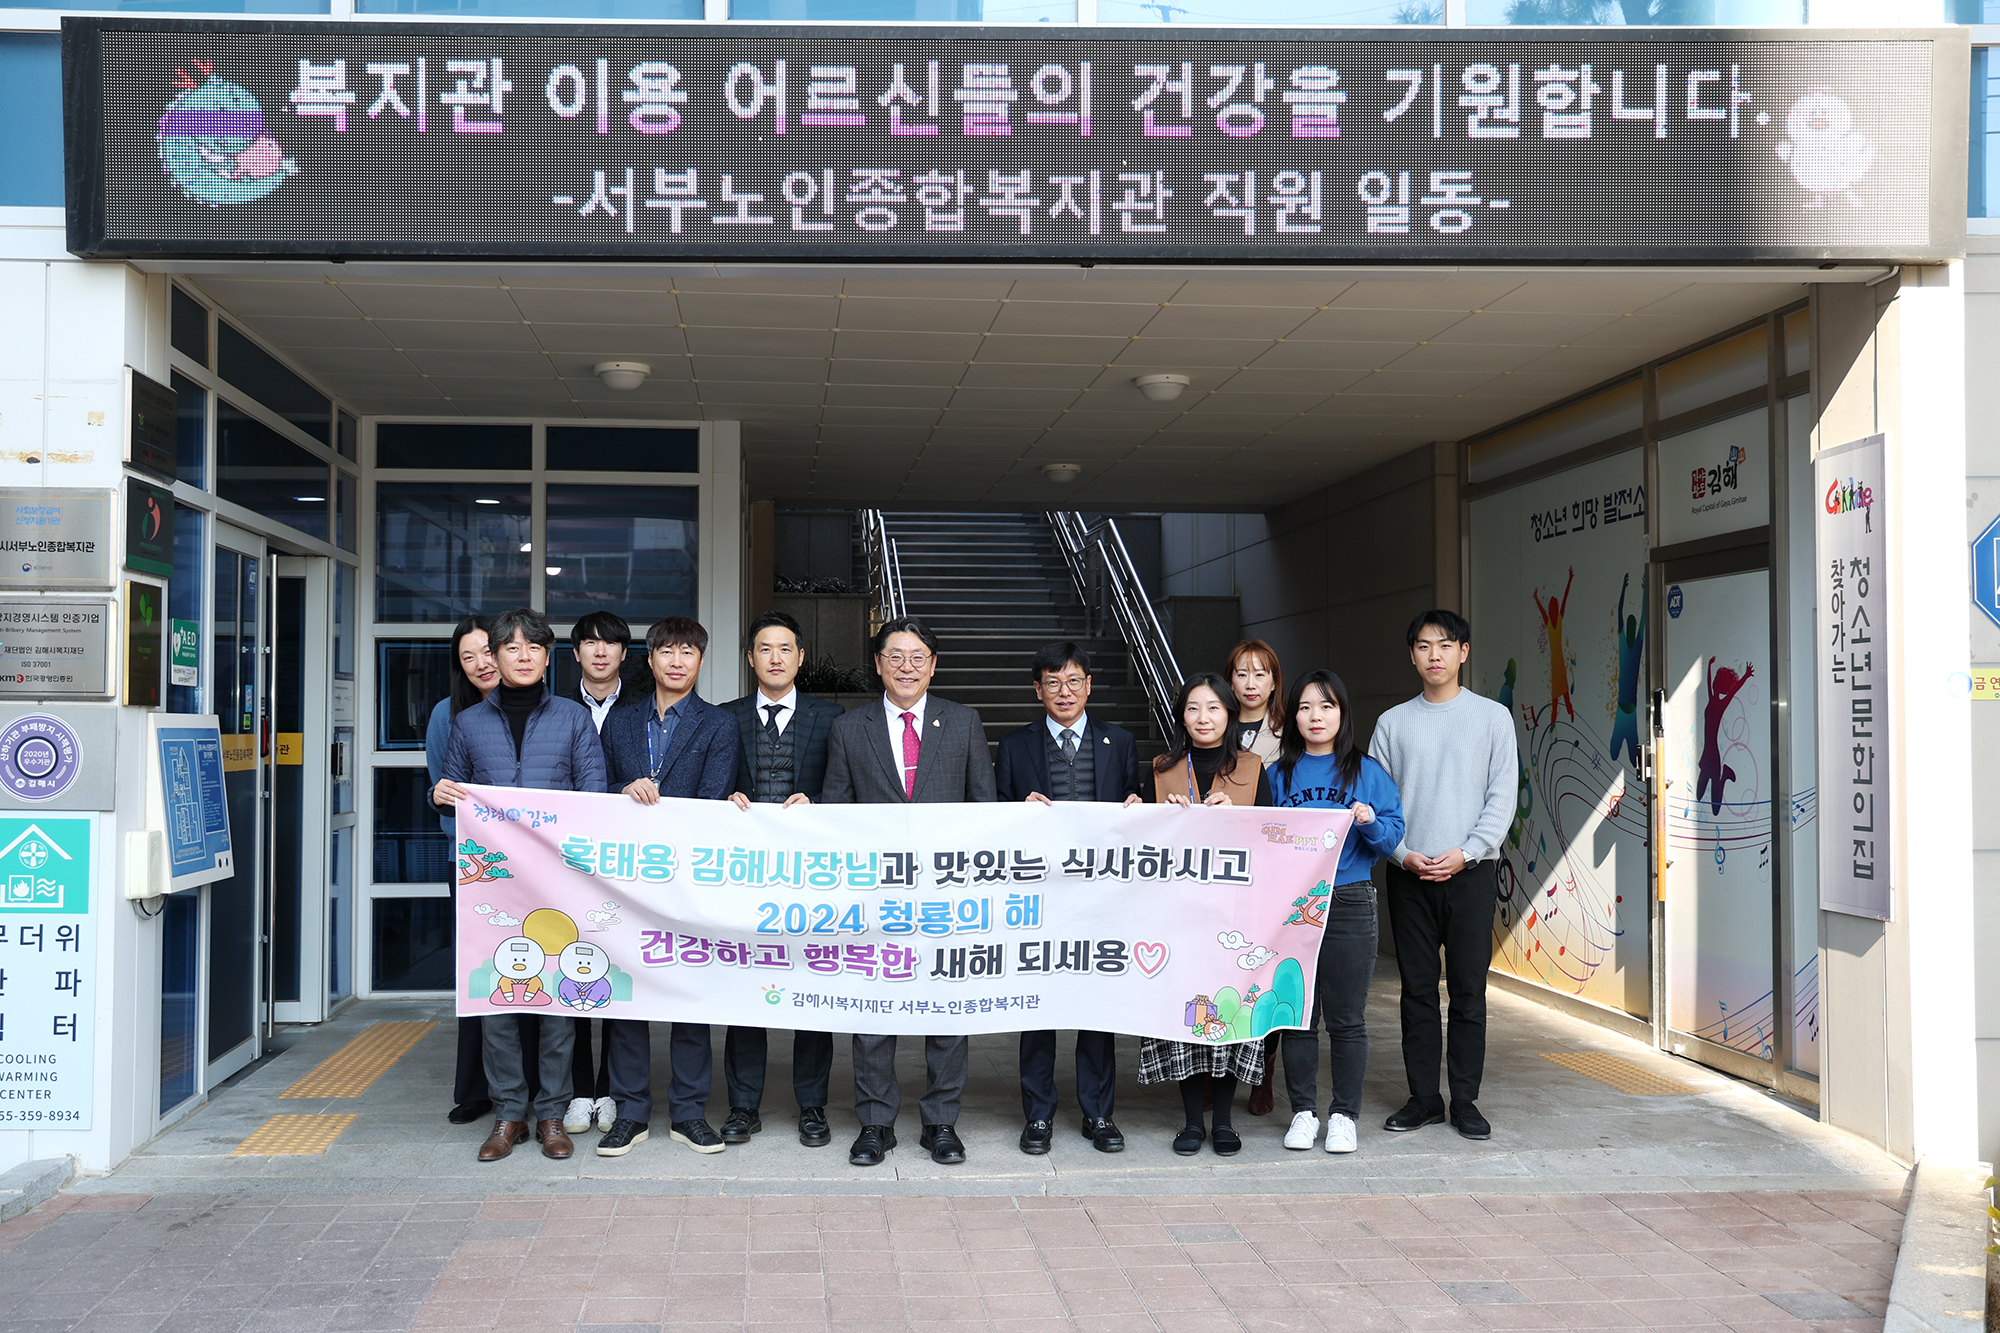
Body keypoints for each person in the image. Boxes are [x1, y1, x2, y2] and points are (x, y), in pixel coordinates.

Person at [821, 615, 997, 1167]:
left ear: (933, 665)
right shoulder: (850, 727)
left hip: (947, 897)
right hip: (876, 897)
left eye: (918, 657)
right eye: (895, 656)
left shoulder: (963, 722)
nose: (906, 666)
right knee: (875, 1011)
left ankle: (941, 1122)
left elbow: (984, 811)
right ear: (878, 665)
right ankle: (875, 1123)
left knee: (946, 1009)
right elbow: (836, 814)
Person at [433, 607, 605, 1163]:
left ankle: (551, 1113)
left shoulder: (574, 720)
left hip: (558, 881)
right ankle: (509, 1113)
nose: (523, 656)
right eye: (511, 647)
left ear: (547, 656)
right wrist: (438, 794)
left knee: (556, 999)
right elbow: (453, 793)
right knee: (497, 997)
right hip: (492, 884)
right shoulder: (468, 723)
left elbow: (593, 799)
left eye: (533, 647)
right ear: (497, 657)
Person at [1369, 610, 1517, 1142]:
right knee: (1416, 991)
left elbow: (1502, 796)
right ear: (1411, 655)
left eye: (1445, 644)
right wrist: (1401, 854)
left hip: (1471, 873)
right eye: (1424, 646)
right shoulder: (1392, 723)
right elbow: (1377, 803)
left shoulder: (1493, 718)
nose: (1435, 655)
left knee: (1469, 990)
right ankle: (1424, 1099)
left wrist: (1468, 852)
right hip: (1409, 874)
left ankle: (1466, 1101)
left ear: (1464, 652)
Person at [993, 642, 1144, 1157]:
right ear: (1038, 690)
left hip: (1101, 898)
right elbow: (995, 818)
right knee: (1036, 1007)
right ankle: (1037, 1114)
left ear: (1089, 685)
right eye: (1053, 683)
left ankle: (1099, 1113)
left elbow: (1135, 813)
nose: (1064, 691)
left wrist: (1136, 805)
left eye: (1074, 681)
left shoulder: (1120, 742)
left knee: (1096, 1006)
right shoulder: (1015, 746)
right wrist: (1019, 809)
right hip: (1038, 898)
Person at [600, 617, 741, 1159]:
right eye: (666, 651)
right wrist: (623, 789)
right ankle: (630, 1114)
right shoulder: (621, 721)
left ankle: (689, 1113)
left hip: (688, 883)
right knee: (627, 1000)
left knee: (689, 999)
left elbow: (712, 799)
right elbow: (596, 789)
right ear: (650, 658)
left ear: (700, 661)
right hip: (628, 883)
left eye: (687, 652)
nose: (676, 661)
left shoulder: (718, 724)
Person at [719, 610, 847, 1149]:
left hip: (811, 878)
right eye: (765, 649)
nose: (775, 658)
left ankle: (812, 1106)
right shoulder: (725, 718)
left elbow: (845, 791)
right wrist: (722, 801)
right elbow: (707, 790)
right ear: (750, 658)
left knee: (812, 990)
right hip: (745, 879)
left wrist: (818, 804)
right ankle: (743, 1106)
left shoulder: (833, 717)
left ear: (800, 658)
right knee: (746, 990)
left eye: (785, 649)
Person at [1267, 670, 1404, 1155]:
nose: (1316, 716)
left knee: (1347, 1018)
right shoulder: (1277, 774)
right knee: (1298, 1015)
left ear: (1342, 714)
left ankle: (1344, 1116)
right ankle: (1303, 1113)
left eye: (1326, 706)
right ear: (1293, 716)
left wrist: (1369, 820)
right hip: (1293, 905)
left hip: (1349, 900)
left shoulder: (1366, 771)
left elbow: (1392, 837)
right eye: (1305, 707)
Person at [1138, 672, 1270, 1156]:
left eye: (1213, 707)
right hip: (1177, 915)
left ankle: (1225, 1122)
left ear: (1230, 715)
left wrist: (1238, 817)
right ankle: (1193, 1121)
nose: (1203, 717)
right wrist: (1154, 815)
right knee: (1188, 1016)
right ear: (1181, 716)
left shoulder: (1253, 768)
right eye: (1193, 708)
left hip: (1236, 917)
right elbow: (1139, 841)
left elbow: (1271, 837)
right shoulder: (1161, 769)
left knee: (1230, 1014)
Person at [561, 611, 634, 1140]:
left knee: (618, 975)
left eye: (610, 644)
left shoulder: (645, 710)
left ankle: (610, 1090)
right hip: (566, 862)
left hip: (628, 867)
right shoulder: (556, 710)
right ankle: (577, 1089)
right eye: (590, 643)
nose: (601, 651)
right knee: (571, 971)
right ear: (575, 654)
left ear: (626, 654)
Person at [426, 615, 500, 1127]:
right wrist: (438, 795)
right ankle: (475, 1088)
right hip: (471, 863)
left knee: (533, 967)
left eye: (487, 651)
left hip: (533, 866)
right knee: (478, 973)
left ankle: (535, 1087)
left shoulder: (544, 710)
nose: (480, 664)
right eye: (467, 656)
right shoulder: (445, 715)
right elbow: (441, 789)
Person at [1225, 640, 1286, 766]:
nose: (1250, 685)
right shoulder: (1217, 728)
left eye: (1259, 675)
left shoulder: (1288, 731)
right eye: (1242, 675)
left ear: (1274, 683)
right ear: (1231, 682)